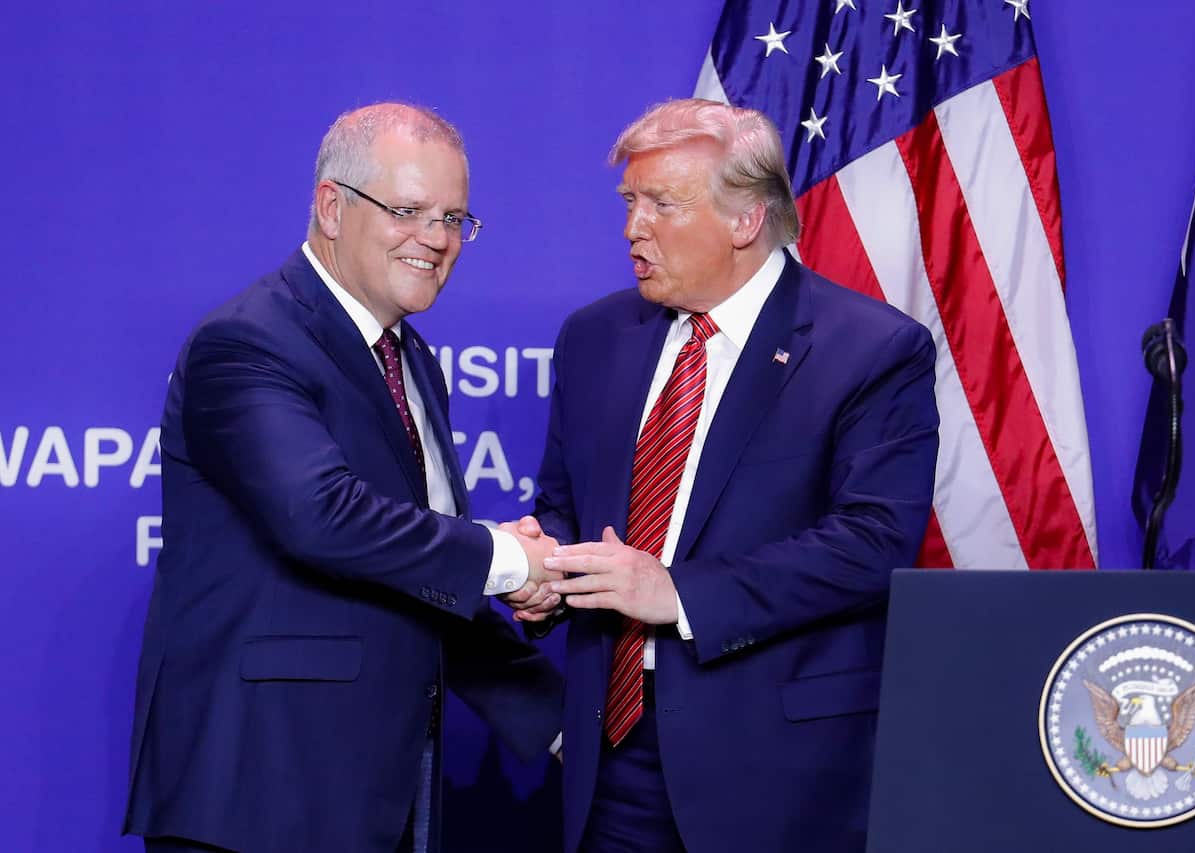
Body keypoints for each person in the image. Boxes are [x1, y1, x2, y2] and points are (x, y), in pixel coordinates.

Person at [123, 102, 564, 853]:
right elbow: (320, 515)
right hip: (258, 799)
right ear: (332, 205)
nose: (437, 239)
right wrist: (509, 557)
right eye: (409, 210)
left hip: (381, 794)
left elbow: (412, 570)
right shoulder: (249, 340)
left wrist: (560, 720)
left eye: (456, 218)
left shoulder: (411, 359)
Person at [518, 99, 940, 852]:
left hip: (775, 771)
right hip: (609, 762)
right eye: (629, 202)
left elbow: (874, 542)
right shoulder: (594, 338)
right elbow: (565, 505)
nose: (632, 228)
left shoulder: (871, 350)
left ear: (746, 218)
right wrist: (544, 567)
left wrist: (678, 593)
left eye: (661, 205)